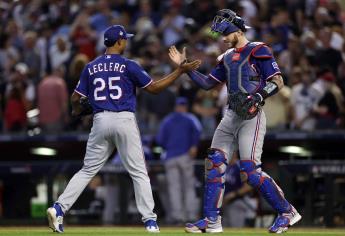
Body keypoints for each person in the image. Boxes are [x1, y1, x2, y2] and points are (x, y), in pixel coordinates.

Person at [46, 24, 200, 233]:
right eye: (125, 39)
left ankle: (59, 208)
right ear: (119, 42)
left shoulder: (91, 66)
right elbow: (154, 88)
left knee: (88, 170)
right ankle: (150, 222)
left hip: (100, 120)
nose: (126, 41)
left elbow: (75, 98)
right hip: (123, 119)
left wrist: (76, 111)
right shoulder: (129, 65)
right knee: (138, 172)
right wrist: (180, 71)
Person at [168, 9, 301, 234]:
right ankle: (212, 221)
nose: (223, 38)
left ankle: (287, 212)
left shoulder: (259, 49)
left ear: (237, 31)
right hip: (230, 115)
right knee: (214, 164)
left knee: (250, 171)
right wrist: (184, 69)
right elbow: (208, 84)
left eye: (225, 34)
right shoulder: (226, 57)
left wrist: (259, 96)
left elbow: (278, 81)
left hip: (252, 114)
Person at [156, 97, 202, 224]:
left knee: (174, 188)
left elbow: (160, 140)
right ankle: (190, 216)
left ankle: (178, 217)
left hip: (170, 157)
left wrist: (169, 146)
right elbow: (198, 131)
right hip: (184, 156)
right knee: (188, 187)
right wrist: (193, 145)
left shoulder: (167, 120)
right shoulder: (190, 118)